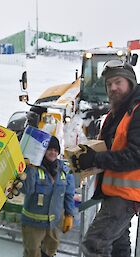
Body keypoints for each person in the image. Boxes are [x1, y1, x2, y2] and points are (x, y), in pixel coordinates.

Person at [71, 59, 140, 257]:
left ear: (130, 82)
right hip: (115, 192)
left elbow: (136, 155)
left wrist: (96, 159)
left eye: (118, 82)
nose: (113, 88)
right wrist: (87, 156)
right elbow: (111, 148)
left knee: (95, 244)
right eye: (109, 84)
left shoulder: (137, 111)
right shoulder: (116, 113)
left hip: (126, 195)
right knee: (119, 246)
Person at [20, 136, 75, 257]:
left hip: (54, 224)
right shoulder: (34, 168)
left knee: (50, 251)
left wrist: (69, 214)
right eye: (50, 149)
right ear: (43, 151)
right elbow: (27, 190)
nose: (53, 152)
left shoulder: (64, 171)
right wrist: (29, 169)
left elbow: (69, 195)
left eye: (56, 150)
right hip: (33, 223)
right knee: (32, 253)